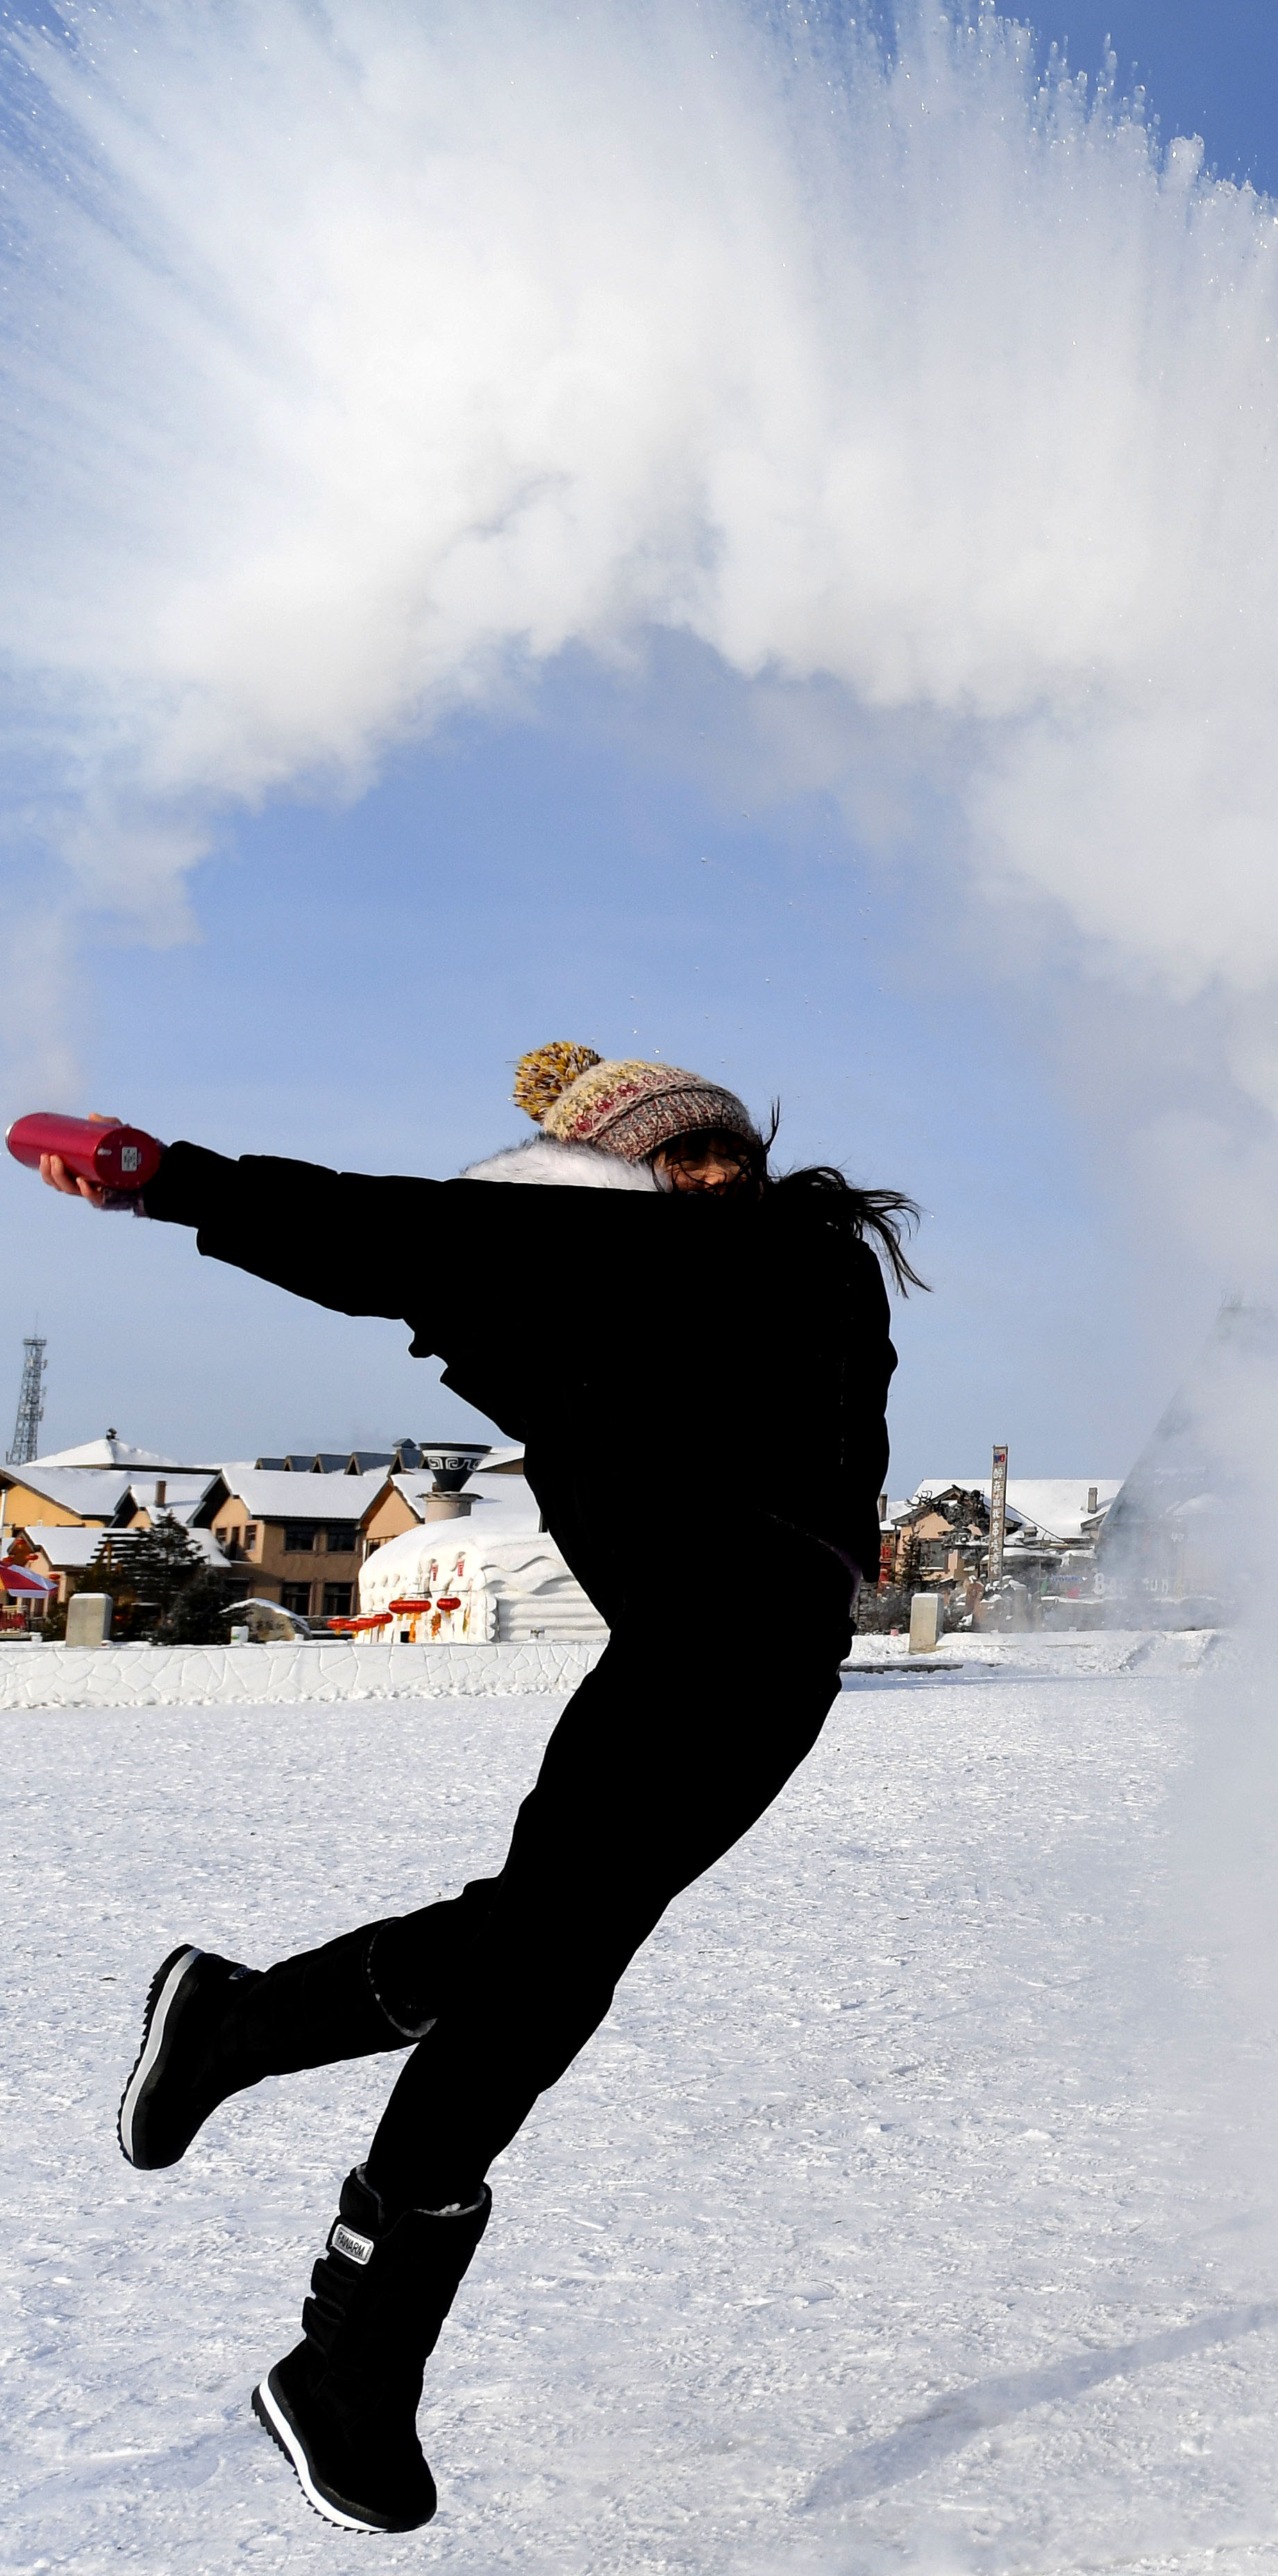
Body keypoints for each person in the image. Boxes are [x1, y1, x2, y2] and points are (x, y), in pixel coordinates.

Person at [35, 1042, 917, 2535]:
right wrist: (163, 1178)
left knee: (530, 1934)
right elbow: (383, 1235)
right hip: (702, 1648)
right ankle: (348, 2357)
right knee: (545, 1971)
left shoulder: (784, 1254)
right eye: (671, 1157)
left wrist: (178, 1181)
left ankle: (233, 2020)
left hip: (778, 1665)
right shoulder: (608, 1271)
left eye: (719, 1149)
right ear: (611, 1172)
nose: (707, 1174)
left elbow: (443, 1245)